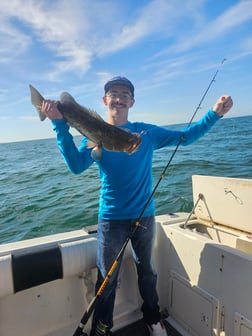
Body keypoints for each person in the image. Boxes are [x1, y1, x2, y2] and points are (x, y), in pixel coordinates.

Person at [41, 76, 233, 336]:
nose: (118, 98)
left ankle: (153, 317)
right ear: (104, 100)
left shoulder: (146, 133)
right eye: (113, 93)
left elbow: (185, 137)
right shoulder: (93, 134)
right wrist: (59, 126)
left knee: (148, 271)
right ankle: (102, 326)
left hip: (145, 216)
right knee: (106, 278)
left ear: (131, 101)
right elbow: (76, 166)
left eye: (124, 94)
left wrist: (214, 113)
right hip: (111, 218)